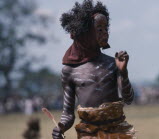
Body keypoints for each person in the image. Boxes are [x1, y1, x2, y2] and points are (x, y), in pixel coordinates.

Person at [52, 0, 135, 138]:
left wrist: (123, 72)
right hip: (88, 134)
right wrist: (60, 127)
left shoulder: (112, 64)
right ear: (85, 33)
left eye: (106, 28)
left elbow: (129, 99)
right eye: (99, 29)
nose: (105, 33)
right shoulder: (69, 71)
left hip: (117, 133)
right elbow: (67, 114)